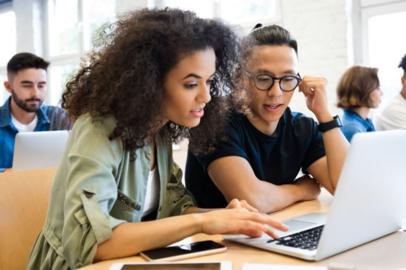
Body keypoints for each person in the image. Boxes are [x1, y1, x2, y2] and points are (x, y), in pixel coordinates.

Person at [27, 9, 287, 270]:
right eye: (190, 84)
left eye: (208, 82)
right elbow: (92, 244)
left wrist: (225, 217)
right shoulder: (97, 131)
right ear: (149, 82)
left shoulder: (159, 130)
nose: (206, 97)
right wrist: (202, 223)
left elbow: (175, 209)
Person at [185, 24, 349, 213]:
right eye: (263, 78)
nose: (276, 92)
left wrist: (324, 116)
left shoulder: (302, 127)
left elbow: (347, 188)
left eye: (287, 79)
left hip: (276, 231)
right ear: (240, 79)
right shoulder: (214, 122)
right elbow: (253, 201)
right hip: (216, 240)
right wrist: (301, 189)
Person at [0, 52, 71, 169]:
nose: (35, 93)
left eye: (41, 85)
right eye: (27, 85)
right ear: (9, 86)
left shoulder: (59, 118)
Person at [336, 66, 382, 142]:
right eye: (377, 88)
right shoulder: (353, 129)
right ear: (365, 90)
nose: (381, 93)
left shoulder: (364, 123)